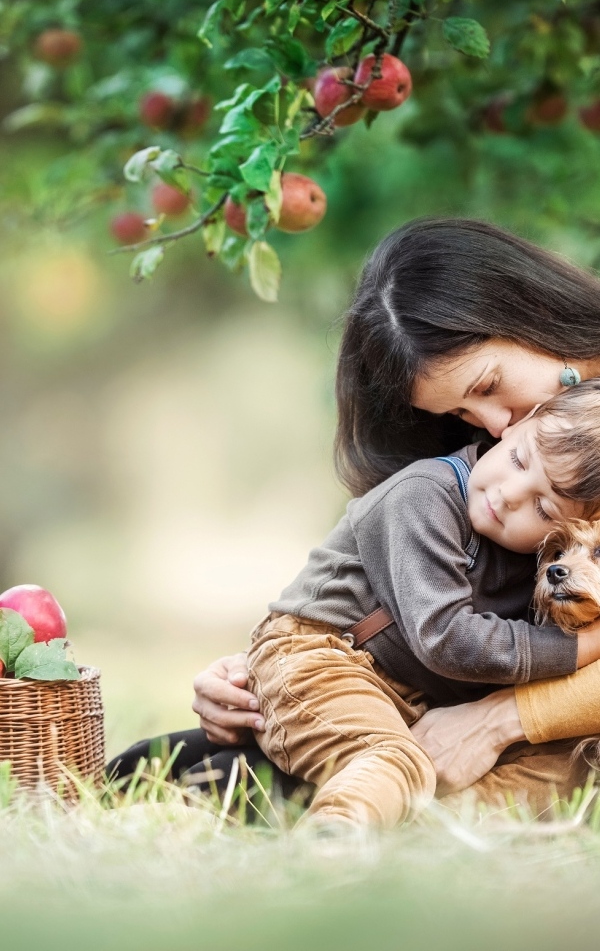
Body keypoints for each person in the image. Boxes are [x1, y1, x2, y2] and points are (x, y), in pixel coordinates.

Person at [108, 218, 600, 805]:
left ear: (535, 313)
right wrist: (269, 675)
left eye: (490, 383)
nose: (496, 425)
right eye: (465, 415)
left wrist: (500, 721)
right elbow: (418, 607)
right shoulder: (477, 480)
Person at [246, 381, 600, 828]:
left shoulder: (534, 548)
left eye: (545, 509)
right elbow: (448, 639)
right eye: (519, 460)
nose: (511, 494)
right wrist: (583, 647)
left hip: (420, 696)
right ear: (515, 428)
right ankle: (337, 832)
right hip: (326, 659)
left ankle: (438, 832)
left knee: (561, 765)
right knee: (391, 757)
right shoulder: (424, 494)